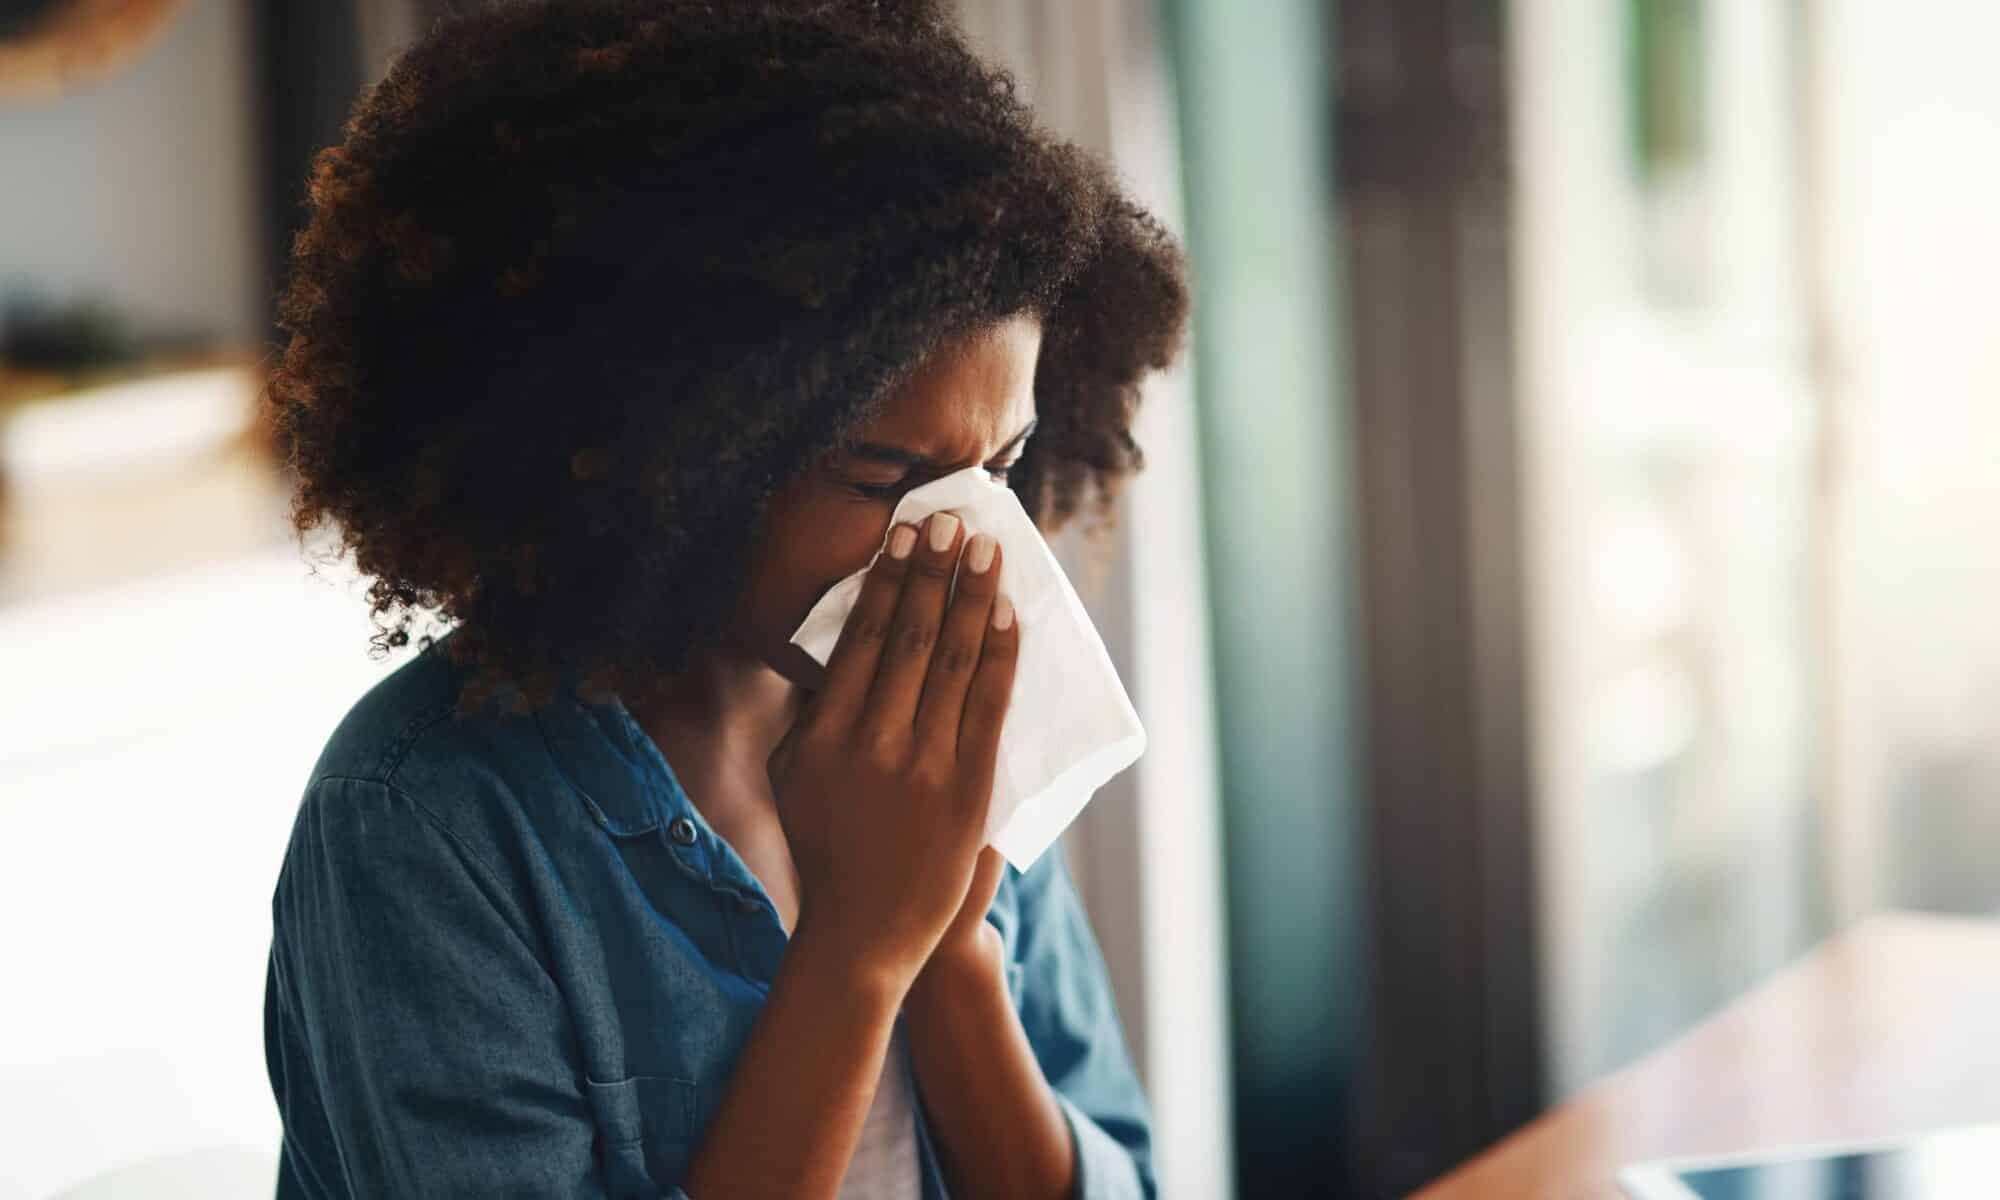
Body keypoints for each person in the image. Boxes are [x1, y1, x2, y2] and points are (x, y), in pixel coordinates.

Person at [258, 1, 1190, 1197]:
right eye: (884, 480)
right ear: (675, 452)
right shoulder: (427, 823)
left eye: (999, 467)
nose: (963, 541)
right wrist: (857, 950)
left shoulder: (946, 721)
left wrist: (951, 950)